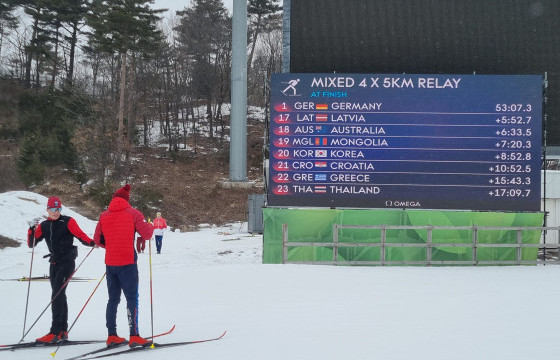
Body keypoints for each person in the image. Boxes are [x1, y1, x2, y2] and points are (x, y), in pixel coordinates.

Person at [27, 196, 95, 344]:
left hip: (67, 262)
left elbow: (80, 234)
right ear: (47, 209)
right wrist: (31, 229)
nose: (55, 212)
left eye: (58, 209)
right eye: (52, 209)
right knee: (60, 295)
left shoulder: (68, 221)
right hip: (54, 262)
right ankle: (63, 330)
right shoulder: (44, 225)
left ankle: (55, 332)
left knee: (56, 295)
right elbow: (31, 243)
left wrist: (91, 242)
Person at [93, 184, 154, 348]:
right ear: (127, 199)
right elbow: (147, 234)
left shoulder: (103, 215)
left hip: (110, 264)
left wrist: (112, 246)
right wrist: (151, 225)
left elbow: (97, 239)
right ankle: (134, 335)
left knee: (113, 300)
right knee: (132, 298)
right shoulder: (134, 213)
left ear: (113, 199)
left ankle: (111, 335)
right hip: (128, 263)